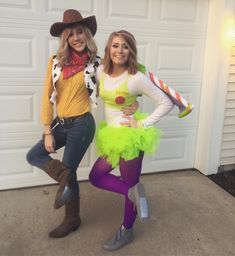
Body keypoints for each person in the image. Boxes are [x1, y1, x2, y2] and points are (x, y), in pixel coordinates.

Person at [26, 10, 137, 239]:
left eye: (80, 32)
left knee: (70, 169)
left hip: (82, 124)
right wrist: (47, 131)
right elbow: (47, 96)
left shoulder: (98, 64)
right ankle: (66, 187)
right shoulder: (55, 63)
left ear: (87, 35)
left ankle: (71, 219)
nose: (76, 37)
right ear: (65, 38)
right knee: (35, 156)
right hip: (60, 124)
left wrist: (133, 103)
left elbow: (122, 82)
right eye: (71, 34)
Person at [89, 30, 174, 251]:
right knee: (96, 176)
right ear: (109, 48)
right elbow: (112, 97)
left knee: (129, 182)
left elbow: (166, 103)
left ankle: (126, 230)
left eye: (125, 46)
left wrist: (142, 124)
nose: (119, 50)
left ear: (131, 51)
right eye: (115, 45)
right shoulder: (101, 72)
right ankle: (134, 192)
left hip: (130, 138)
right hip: (111, 136)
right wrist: (133, 101)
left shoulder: (136, 78)